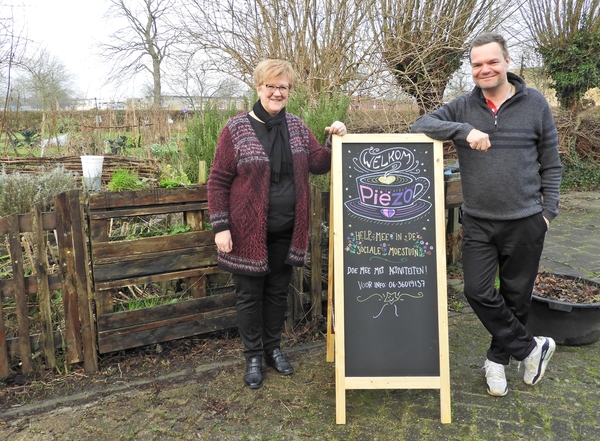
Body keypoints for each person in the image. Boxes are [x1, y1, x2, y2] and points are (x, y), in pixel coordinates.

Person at [411, 33, 562, 397]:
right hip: (478, 219)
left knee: (516, 296)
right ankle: (530, 349)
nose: (484, 69)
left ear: (507, 62)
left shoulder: (535, 103)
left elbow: (551, 164)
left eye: (491, 61)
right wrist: (463, 130)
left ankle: (497, 361)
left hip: (526, 218)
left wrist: (547, 213)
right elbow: (420, 125)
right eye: (476, 64)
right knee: (477, 291)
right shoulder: (463, 106)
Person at [208, 59, 347, 389]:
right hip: (245, 233)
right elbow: (217, 180)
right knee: (249, 295)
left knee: (276, 293)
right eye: (270, 86)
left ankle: (273, 349)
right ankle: (253, 356)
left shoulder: (297, 127)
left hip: (287, 230)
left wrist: (334, 138)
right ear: (258, 88)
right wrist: (220, 227)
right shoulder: (236, 128)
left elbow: (318, 164)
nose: (276, 92)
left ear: (289, 91)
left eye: (283, 87)